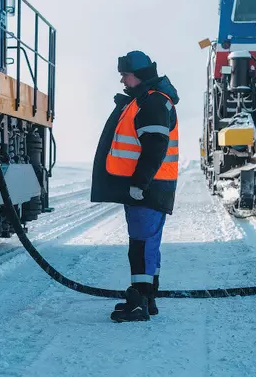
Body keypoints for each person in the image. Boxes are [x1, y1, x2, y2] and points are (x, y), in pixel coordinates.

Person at [90, 51, 180, 322]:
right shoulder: (145, 101)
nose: (122, 80)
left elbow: (155, 146)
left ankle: (139, 301)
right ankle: (147, 297)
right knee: (148, 243)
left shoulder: (152, 103)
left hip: (148, 187)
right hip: (152, 186)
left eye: (125, 75)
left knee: (140, 244)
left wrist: (140, 183)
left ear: (138, 75)